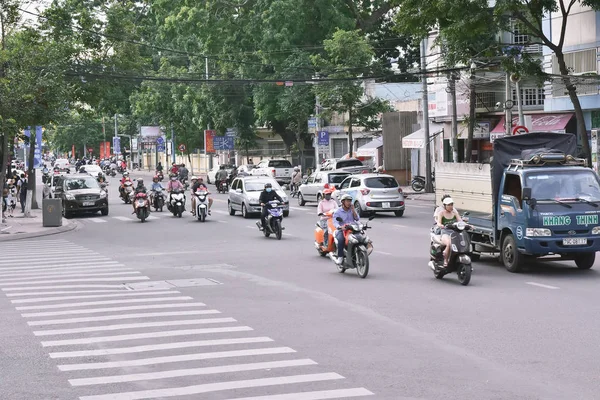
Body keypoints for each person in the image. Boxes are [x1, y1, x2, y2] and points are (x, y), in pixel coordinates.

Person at [435, 196, 464, 268]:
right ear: (445, 206)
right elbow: (438, 222)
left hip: (454, 232)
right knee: (449, 244)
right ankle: (445, 260)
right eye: (449, 205)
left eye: (451, 205)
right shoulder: (441, 213)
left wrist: (468, 225)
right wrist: (441, 225)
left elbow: (460, 221)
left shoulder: (454, 213)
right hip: (445, 233)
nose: (450, 207)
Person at [332, 194, 360, 264]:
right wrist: (340, 227)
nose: (349, 203)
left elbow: (357, 218)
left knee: (361, 237)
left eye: (350, 201)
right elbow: (335, 222)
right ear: (343, 202)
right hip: (342, 230)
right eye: (347, 201)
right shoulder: (338, 211)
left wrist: (353, 210)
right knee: (341, 240)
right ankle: (340, 256)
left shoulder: (352, 210)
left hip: (352, 229)